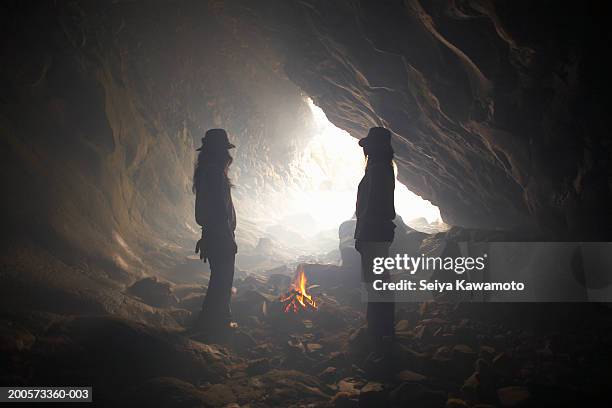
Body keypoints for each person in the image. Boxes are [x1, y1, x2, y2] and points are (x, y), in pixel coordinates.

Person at [193, 128, 238, 335]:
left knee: (219, 277)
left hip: (214, 232)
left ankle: (215, 321)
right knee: (222, 278)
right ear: (220, 151)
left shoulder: (208, 171)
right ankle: (214, 324)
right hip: (219, 233)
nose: (229, 156)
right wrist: (227, 236)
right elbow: (218, 209)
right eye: (225, 150)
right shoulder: (213, 173)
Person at [354, 127, 396, 345]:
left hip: (374, 232)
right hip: (378, 231)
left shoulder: (378, 170)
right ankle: (381, 328)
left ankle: (379, 331)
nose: (366, 149)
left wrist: (362, 235)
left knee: (376, 281)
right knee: (378, 280)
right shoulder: (382, 168)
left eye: (369, 144)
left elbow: (372, 207)